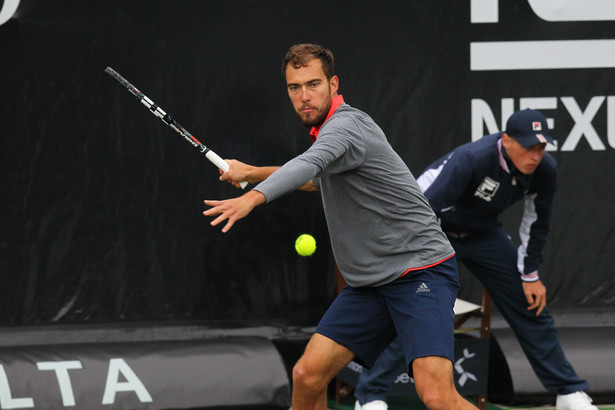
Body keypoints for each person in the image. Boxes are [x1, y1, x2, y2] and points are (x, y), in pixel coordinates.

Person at [203, 43, 478, 410]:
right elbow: (315, 178)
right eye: (294, 87)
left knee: (436, 395)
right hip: (370, 284)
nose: (304, 96)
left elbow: (309, 165)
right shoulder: (328, 136)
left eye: (313, 84)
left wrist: (252, 197)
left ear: (334, 84)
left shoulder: (346, 126)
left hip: (419, 270)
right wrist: (251, 173)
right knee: (307, 376)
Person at [353, 109, 598, 410]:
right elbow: (419, 210)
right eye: (527, 147)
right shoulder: (472, 159)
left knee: (529, 301)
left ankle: (568, 391)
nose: (535, 155)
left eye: (541, 147)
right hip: (433, 229)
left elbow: (537, 222)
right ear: (506, 141)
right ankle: (370, 395)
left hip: (483, 234)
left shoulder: (545, 169)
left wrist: (530, 274)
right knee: (419, 309)